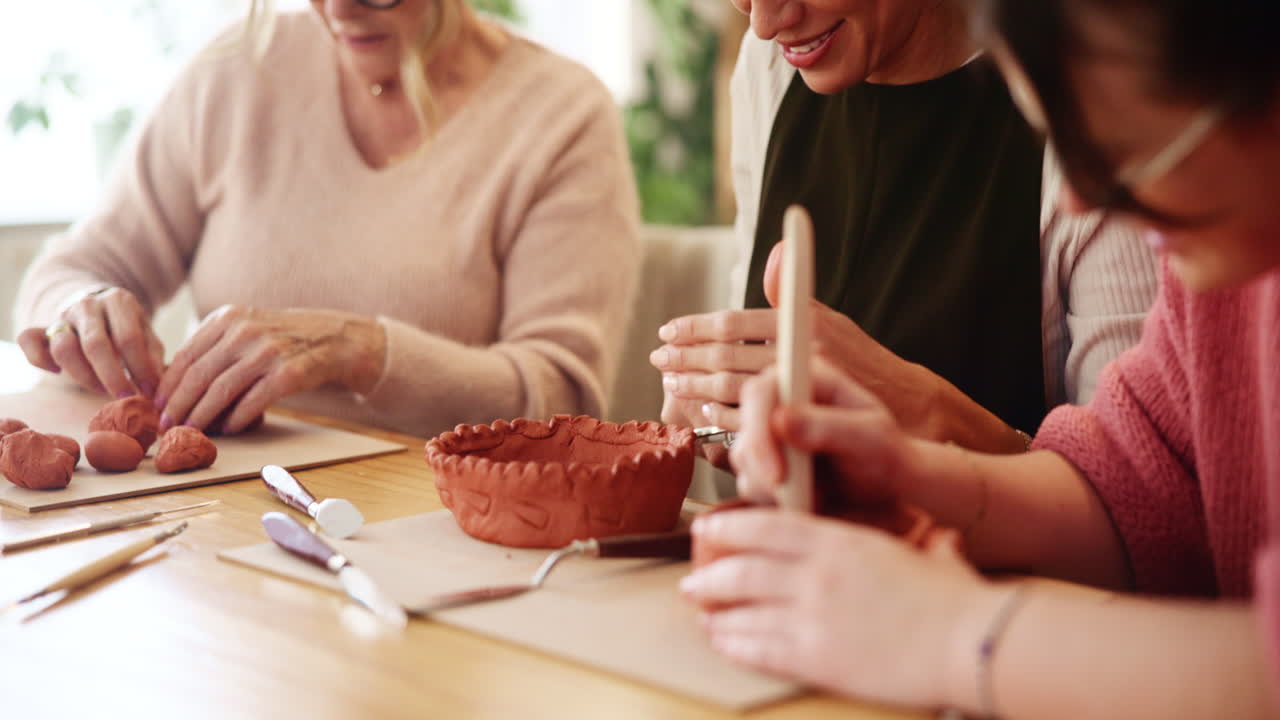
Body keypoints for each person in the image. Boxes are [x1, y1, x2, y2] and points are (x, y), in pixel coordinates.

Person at [681, 0, 1280, 717]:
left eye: (1125, 154)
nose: (1085, 203)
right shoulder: (1222, 268)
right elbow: (1141, 488)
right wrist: (909, 476)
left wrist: (945, 634)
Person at [13, 0, 639, 438]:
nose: (338, 9)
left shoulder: (560, 116)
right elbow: (73, 269)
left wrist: (360, 350)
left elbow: (563, 399)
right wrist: (83, 307)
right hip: (223, 516)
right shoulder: (239, 69)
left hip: (433, 525)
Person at [652, 0, 1158, 463]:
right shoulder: (768, 72)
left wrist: (934, 419)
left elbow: (1140, 512)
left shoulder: (1096, 89)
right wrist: (729, 420)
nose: (763, 24)